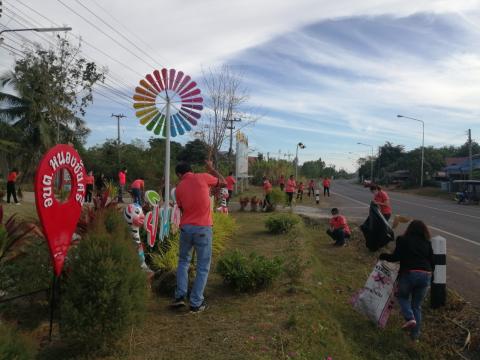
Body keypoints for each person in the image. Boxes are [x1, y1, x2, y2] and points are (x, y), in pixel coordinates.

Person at [172, 160, 225, 313]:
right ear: (191, 169)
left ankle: (180, 297)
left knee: (183, 262)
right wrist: (211, 169)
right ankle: (195, 303)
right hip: (203, 228)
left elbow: (182, 209)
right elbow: (223, 183)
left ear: (179, 174)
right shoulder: (203, 177)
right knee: (202, 266)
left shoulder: (178, 188)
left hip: (186, 228)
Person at [379, 220, 434, 340]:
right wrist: (430, 276)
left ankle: (410, 318)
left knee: (402, 297)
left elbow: (396, 257)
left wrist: (383, 256)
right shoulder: (427, 243)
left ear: (409, 229)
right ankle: (415, 336)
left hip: (410, 273)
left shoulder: (403, 240)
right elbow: (432, 261)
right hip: (426, 275)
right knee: (417, 306)